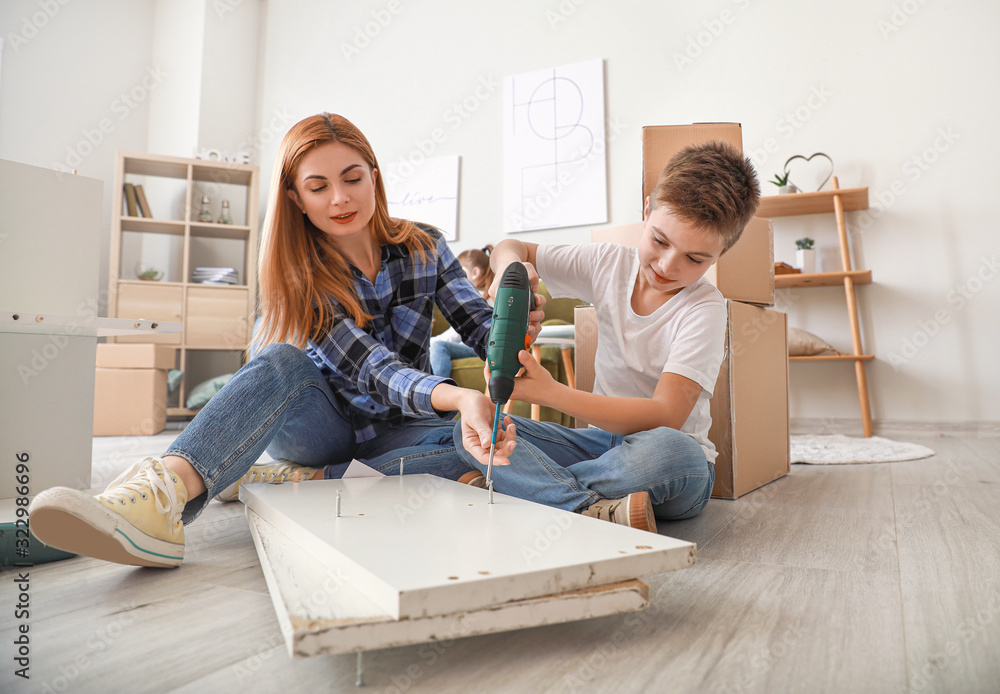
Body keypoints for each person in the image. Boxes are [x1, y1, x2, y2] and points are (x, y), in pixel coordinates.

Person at [28, 113, 535, 569]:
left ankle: (286, 480)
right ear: (295, 197)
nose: (341, 198)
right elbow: (373, 370)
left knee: (482, 446)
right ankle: (160, 494)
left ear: (374, 178)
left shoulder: (426, 246)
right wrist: (458, 395)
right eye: (318, 186)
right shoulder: (300, 274)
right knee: (281, 361)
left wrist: (513, 330)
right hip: (318, 425)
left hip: (400, 427)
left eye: (353, 178)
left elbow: (478, 325)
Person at [455, 141, 760, 534]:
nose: (668, 265)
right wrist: (511, 270)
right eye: (660, 241)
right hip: (598, 446)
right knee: (473, 422)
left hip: (666, 464)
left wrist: (551, 394)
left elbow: (666, 415)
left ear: (722, 252)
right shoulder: (608, 263)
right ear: (647, 210)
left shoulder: (705, 308)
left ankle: (533, 491)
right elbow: (511, 246)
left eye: (695, 259)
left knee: (674, 451)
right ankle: (587, 506)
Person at [429, 245, 495, 377]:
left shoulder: (481, 301)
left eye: (460, 272)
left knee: (438, 346)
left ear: (475, 273)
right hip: (470, 346)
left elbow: (457, 333)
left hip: (481, 348)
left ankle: (440, 392)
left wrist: (429, 342)